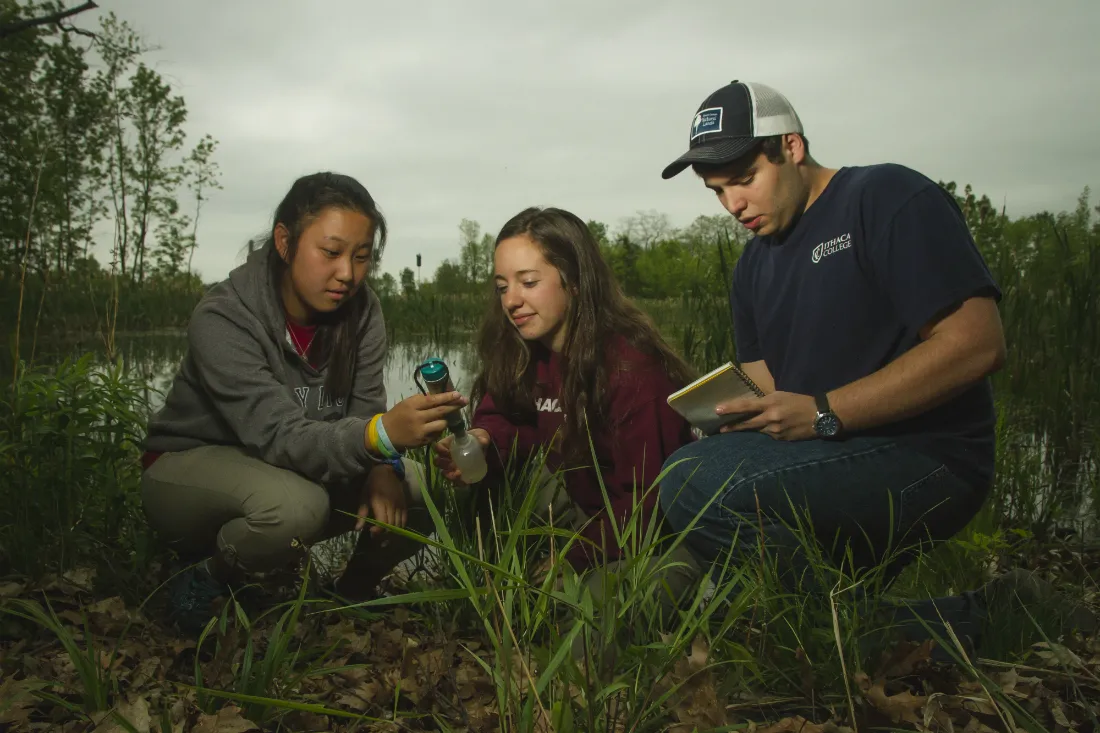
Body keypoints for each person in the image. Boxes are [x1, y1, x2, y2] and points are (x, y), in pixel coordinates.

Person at [657, 80, 1014, 648]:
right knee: (700, 489)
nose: (733, 206)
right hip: (824, 461)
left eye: (745, 180)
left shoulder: (885, 196)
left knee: (687, 481)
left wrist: (825, 413)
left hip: (928, 456)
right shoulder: (753, 266)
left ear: (792, 147)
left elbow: (976, 344)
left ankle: (831, 623)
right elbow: (770, 385)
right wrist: (726, 417)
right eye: (717, 192)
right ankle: (966, 617)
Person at [140, 172, 466, 631]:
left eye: (361, 256)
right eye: (330, 253)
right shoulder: (224, 316)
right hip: (186, 468)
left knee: (417, 488)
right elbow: (277, 435)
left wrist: (384, 464)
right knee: (297, 508)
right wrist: (382, 438)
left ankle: (348, 597)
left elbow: (364, 412)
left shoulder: (364, 311)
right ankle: (203, 574)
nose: (347, 274)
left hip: (285, 468)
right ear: (284, 241)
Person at [432, 206, 702, 617]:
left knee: (577, 626)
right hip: (588, 515)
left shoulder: (633, 369)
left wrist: (572, 558)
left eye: (528, 282)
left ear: (574, 282)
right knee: (528, 601)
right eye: (502, 286)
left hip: (653, 533)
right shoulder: (522, 351)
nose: (511, 301)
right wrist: (485, 442)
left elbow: (646, 503)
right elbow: (501, 414)